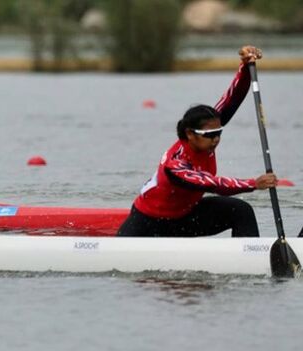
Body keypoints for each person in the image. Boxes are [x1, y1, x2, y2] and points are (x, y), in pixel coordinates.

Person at [117, 46, 278, 237]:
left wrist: (245, 67)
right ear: (190, 134)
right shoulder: (175, 164)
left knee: (241, 211)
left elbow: (231, 100)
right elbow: (212, 184)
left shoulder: (205, 135)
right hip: (150, 221)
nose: (216, 139)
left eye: (219, 132)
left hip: (187, 217)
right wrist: (253, 183)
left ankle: (248, 258)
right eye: (210, 135)